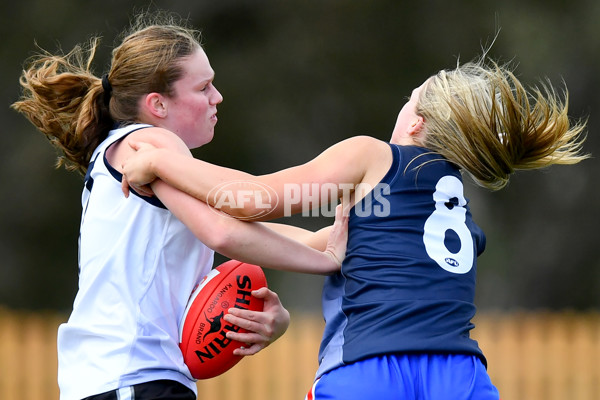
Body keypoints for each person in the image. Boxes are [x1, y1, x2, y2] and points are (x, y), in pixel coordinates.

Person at [120, 56, 588, 399]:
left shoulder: (373, 157)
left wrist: (161, 162)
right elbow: (314, 241)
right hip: (461, 376)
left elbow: (252, 201)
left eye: (409, 101)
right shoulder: (451, 205)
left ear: (417, 122)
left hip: (372, 371)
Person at [12, 12, 348, 400]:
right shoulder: (152, 143)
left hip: (120, 378)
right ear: (158, 105)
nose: (217, 97)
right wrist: (325, 261)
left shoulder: (142, 154)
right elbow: (224, 230)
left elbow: (240, 223)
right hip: (131, 376)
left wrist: (328, 243)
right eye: (204, 87)